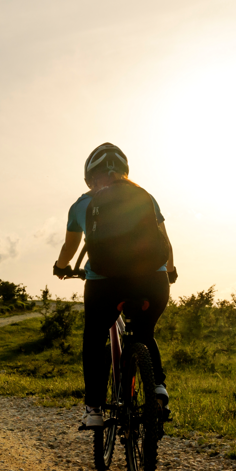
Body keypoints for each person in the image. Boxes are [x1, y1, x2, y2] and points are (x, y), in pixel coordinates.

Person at [52, 142, 176, 427]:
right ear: (124, 173)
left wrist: (60, 268)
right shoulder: (145, 197)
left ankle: (94, 409)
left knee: (95, 338)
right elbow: (165, 244)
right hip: (153, 283)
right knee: (144, 331)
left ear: (92, 178)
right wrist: (169, 271)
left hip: (105, 286)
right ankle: (157, 389)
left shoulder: (81, 205)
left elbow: (69, 249)